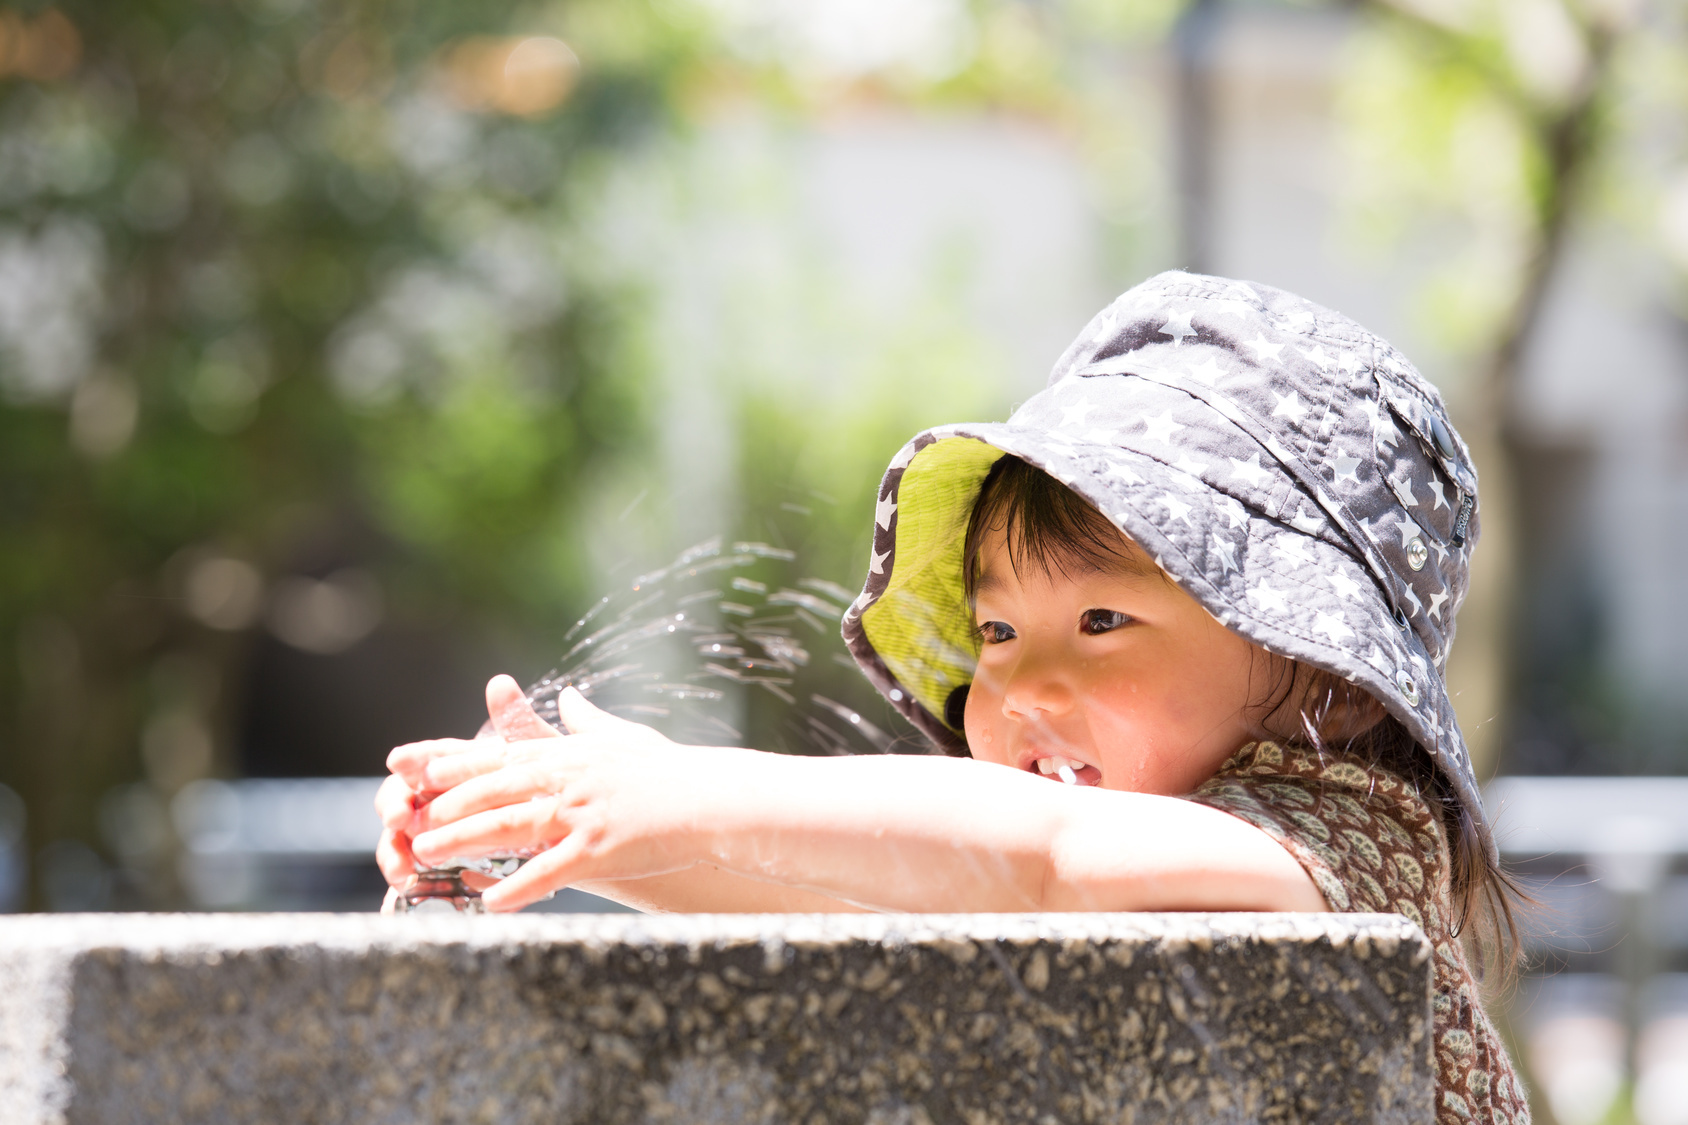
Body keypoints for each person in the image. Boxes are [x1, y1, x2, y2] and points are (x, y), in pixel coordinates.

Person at [376, 271, 1529, 1122]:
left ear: (1323, 676)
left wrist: (683, 792)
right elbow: (822, 898)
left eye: (1100, 622)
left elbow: (1053, 852)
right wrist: (577, 832)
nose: (1022, 684)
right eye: (992, 630)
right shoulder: (1093, 872)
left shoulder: (1347, 840)